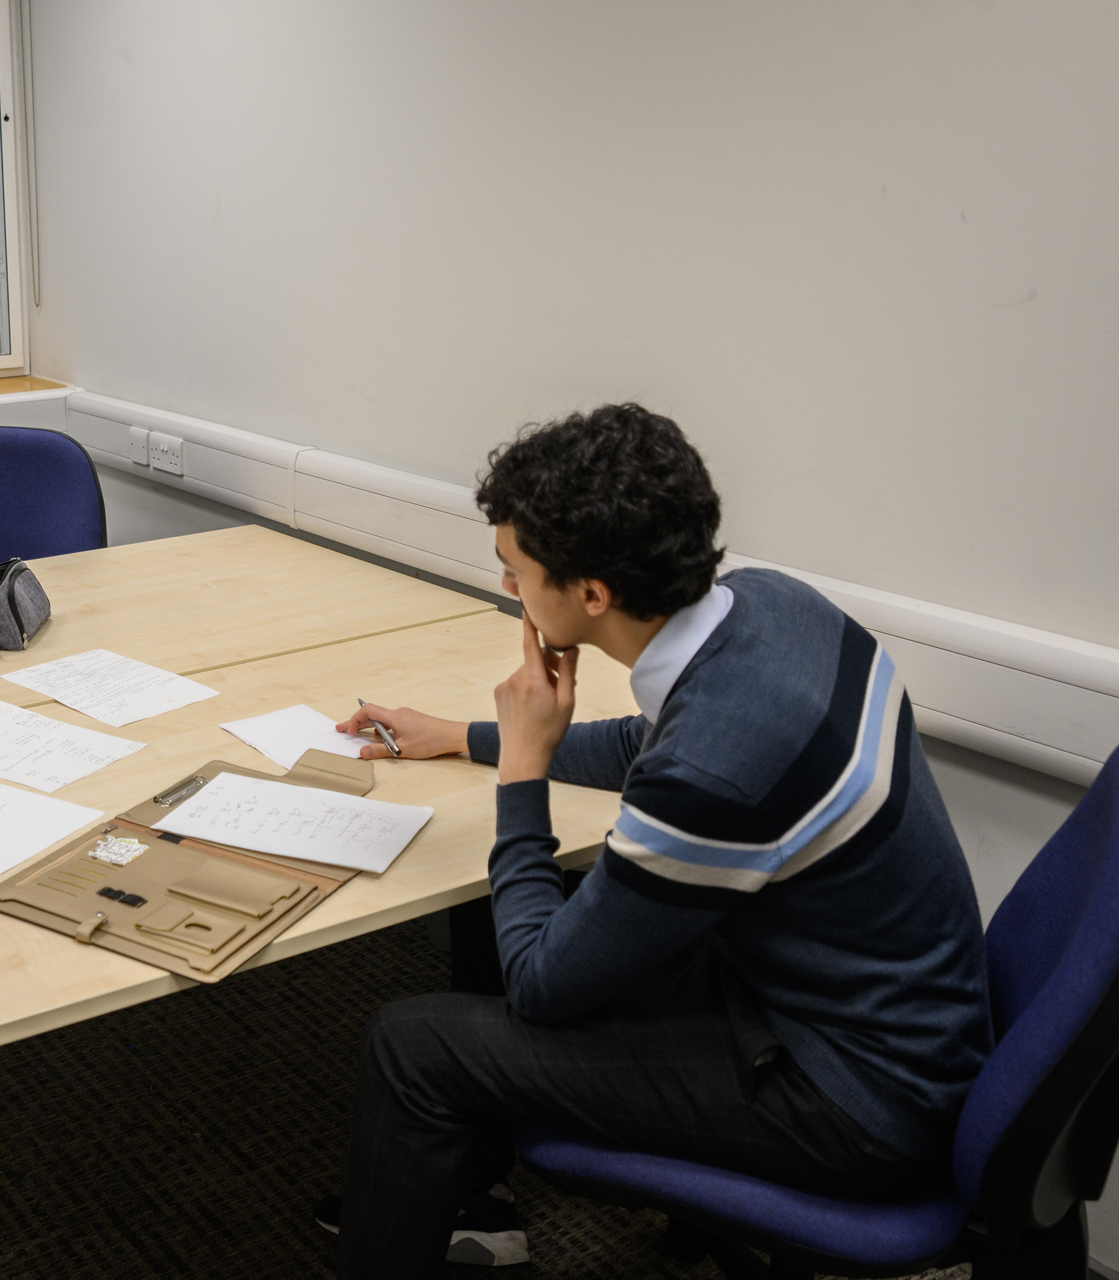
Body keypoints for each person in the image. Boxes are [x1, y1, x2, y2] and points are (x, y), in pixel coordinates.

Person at [323, 404, 991, 1273]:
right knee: (504, 904)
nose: (507, 591)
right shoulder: (773, 607)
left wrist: (523, 769)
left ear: (591, 595)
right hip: (874, 1011)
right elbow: (660, 747)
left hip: (855, 1102)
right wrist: (469, 735)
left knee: (411, 1046)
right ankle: (462, 1203)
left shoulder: (713, 771)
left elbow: (539, 985)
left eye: (515, 573)